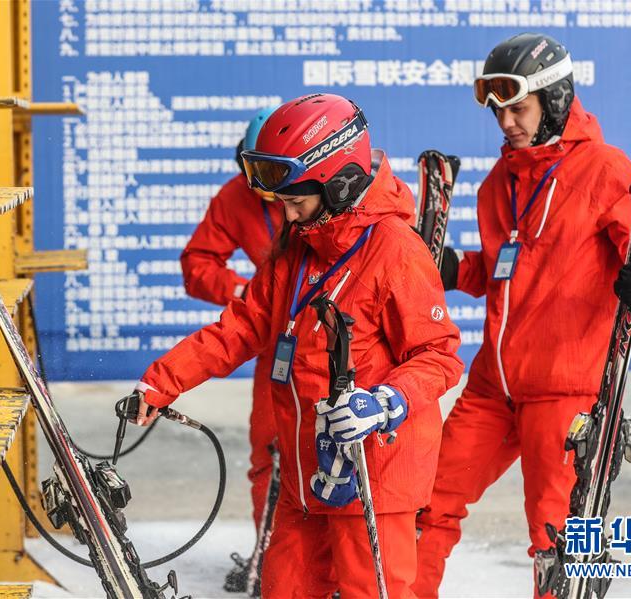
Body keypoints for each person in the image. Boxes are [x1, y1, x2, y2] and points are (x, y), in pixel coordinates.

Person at [132, 93, 463, 598]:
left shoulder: (395, 249)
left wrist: (386, 402)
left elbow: (439, 355)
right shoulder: (299, 247)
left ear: (338, 182)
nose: (285, 214)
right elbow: (239, 327)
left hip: (373, 474)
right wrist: (161, 382)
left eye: (294, 200)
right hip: (304, 475)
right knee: (282, 587)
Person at [413, 33, 631, 598]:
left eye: (518, 108)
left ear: (553, 99)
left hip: (565, 389)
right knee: (426, 502)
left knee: (557, 540)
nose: (506, 121)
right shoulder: (497, 187)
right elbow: (499, 270)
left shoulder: (603, 169)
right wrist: (452, 265)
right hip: (493, 385)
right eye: (498, 110)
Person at [178, 106, 284, 587]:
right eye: (252, 170)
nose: (260, 183)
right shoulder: (237, 195)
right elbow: (198, 262)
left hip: (347, 347)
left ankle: (348, 561)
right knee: (270, 453)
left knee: (343, 454)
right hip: (277, 340)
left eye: (271, 172)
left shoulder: (334, 186)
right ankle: (273, 557)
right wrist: (242, 290)